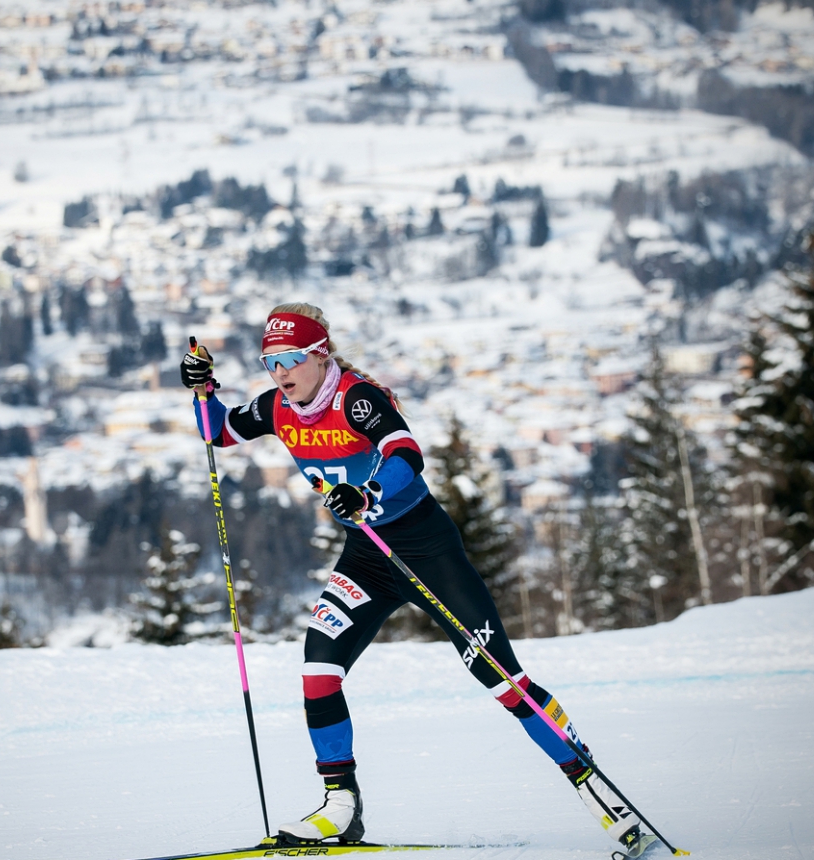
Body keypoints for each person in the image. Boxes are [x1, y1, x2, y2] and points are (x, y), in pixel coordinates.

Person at [181, 303, 652, 855]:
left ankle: (595, 789)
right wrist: (203, 389)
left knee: (502, 681)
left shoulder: (357, 397)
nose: (280, 373)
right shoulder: (278, 407)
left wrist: (368, 492)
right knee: (318, 672)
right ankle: (341, 806)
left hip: (425, 549)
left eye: (290, 359)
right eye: (270, 362)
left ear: (320, 354)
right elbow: (218, 432)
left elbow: (406, 453)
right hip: (367, 557)